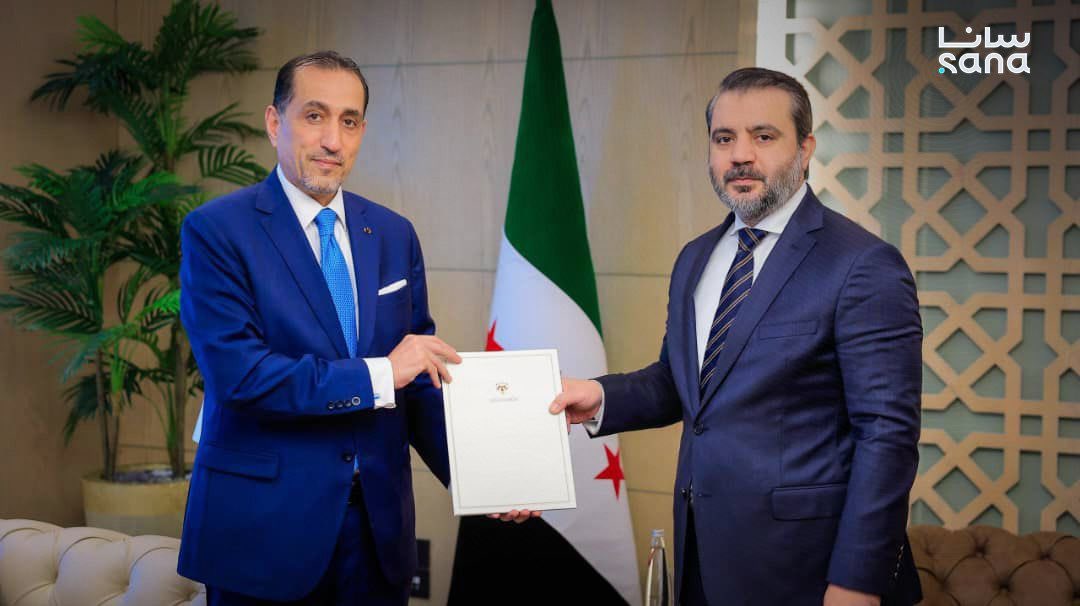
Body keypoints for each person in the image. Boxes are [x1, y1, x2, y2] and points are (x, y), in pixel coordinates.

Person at [550, 67, 923, 606]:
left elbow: (887, 436)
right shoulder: (695, 258)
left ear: (805, 149)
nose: (740, 155)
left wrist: (858, 582)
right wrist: (599, 396)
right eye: (724, 139)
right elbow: (682, 385)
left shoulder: (863, 265)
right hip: (703, 559)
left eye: (763, 136)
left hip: (810, 573)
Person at [178, 51, 467, 605]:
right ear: (274, 122)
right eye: (314, 116)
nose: (333, 140)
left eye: (349, 121)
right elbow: (241, 377)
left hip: (378, 537)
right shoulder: (217, 231)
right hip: (263, 536)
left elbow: (418, 380)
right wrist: (379, 374)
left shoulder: (393, 234)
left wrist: (484, 481)